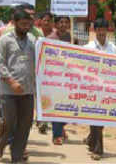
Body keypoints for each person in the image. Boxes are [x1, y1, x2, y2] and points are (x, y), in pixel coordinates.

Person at [0, 8, 36, 163]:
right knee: (10, 122)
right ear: (16, 23)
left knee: (25, 124)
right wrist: (11, 81)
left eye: (28, 24)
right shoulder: (5, 40)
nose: (26, 27)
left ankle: (16, 156)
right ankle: (2, 143)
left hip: (28, 90)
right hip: (8, 91)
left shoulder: (33, 40)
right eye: (23, 24)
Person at [83, 18, 116, 160]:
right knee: (96, 116)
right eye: (99, 29)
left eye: (104, 29)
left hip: (107, 88)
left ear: (107, 31)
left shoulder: (113, 48)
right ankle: (98, 150)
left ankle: (92, 139)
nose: (102, 32)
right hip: (92, 88)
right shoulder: (88, 48)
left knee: (101, 118)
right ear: (95, 31)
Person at [47, 16, 71, 145]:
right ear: (56, 24)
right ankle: (56, 135)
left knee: (66, 106)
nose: (63, 24)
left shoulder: (71, 38)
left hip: (68, 78)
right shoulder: (50, 39)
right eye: (61, 22)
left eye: (66, 22)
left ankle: (61, 128)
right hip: (54, 77)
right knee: (57, 106)